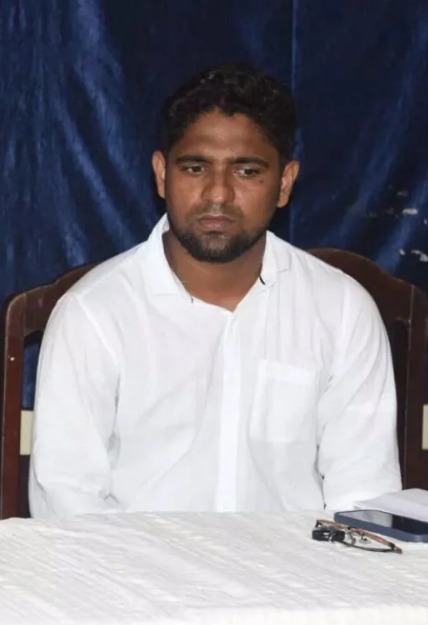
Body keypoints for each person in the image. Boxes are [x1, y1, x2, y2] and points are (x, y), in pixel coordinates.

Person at [28, 63, 400, 515]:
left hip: (296, 560)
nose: (218, 194)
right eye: (195, 167)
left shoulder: (341, 310)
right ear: (162, 174)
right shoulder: (94, 313)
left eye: (246, 171)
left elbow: (364, 498)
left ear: (284, 183)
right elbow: (68, 505)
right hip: (135, 561)